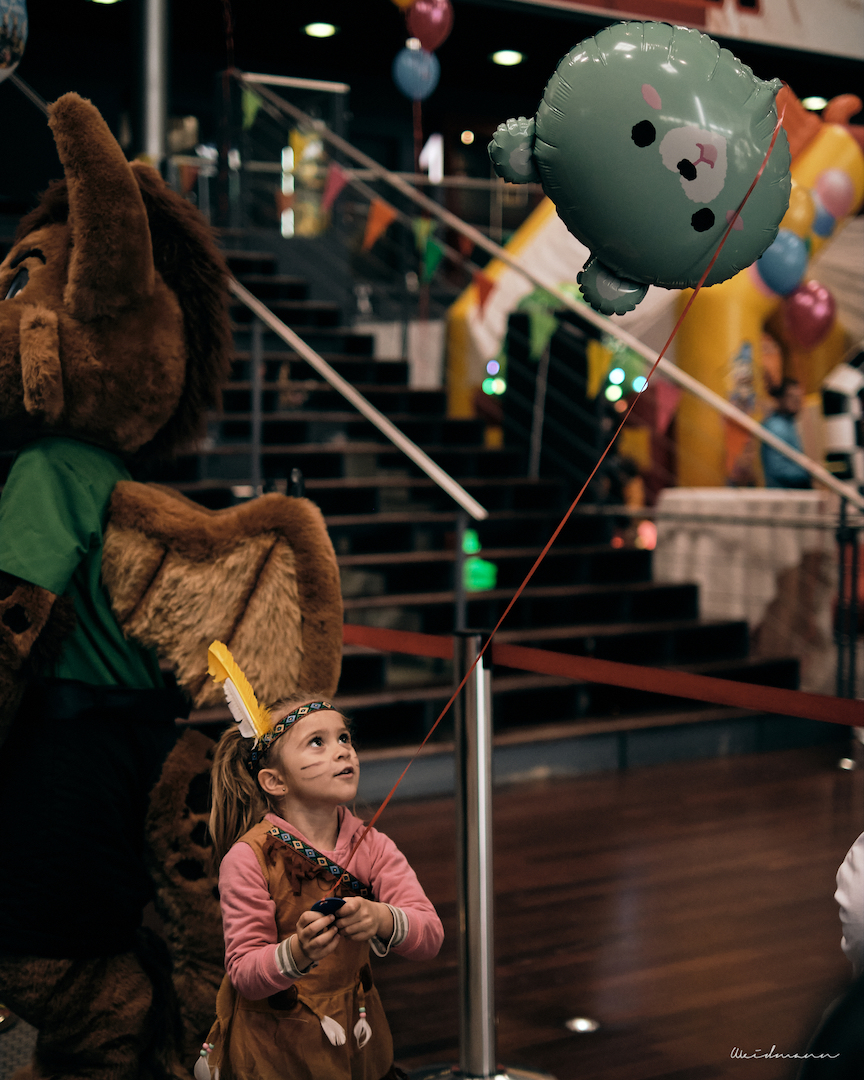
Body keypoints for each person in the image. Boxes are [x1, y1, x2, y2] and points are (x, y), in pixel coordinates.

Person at [200, 697, 444, 1080]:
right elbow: (244, 974)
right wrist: (296, 952)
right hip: (276, 1052)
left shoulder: (373, 845)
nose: (343, 750)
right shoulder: (248, 858)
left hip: (358, 1041)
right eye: (318, 741)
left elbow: (430, 936)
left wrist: (382, 918)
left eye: (344, 737)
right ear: (275, 781)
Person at [761, 378, 812, 489]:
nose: (797, 401)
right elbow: (777, 467)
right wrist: (807, 472)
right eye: (792, 397)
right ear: (780, 399)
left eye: (799, 397)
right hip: (783, 495)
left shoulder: (789, 424)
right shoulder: (775, 427)